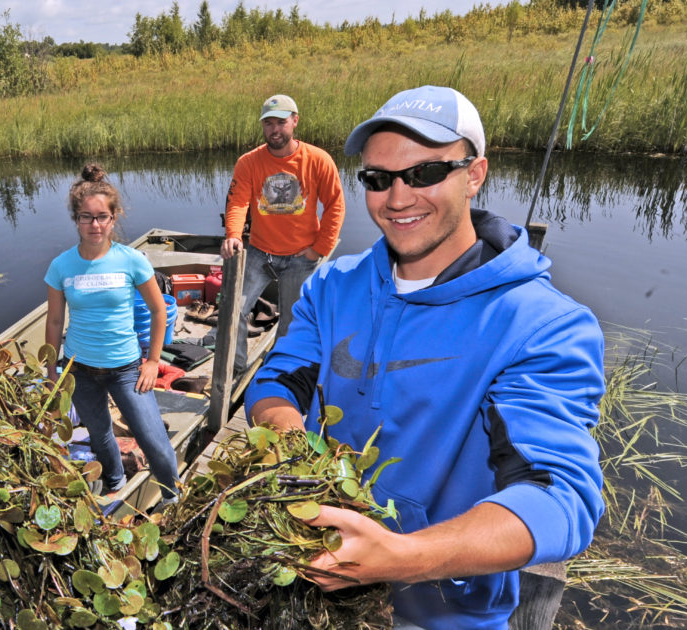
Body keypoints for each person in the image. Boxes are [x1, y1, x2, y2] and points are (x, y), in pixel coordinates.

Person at [244, 85, 605, 629]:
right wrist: (296, 453)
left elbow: (559, 496)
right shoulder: (333, 285)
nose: (397, 197)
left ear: (474, 173)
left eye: (424, 173)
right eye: (377, 178)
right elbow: (278, 379)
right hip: (315, 589)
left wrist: (402, 557)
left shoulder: (540, 324)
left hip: (446, 612)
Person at [44, 163, 180, 505]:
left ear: (114, 218)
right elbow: (55, 323)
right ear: (76, 219)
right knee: (100, 435)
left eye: (102, 216)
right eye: (87, 217)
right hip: (80, 369)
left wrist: (152, 361)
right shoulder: (61, 266)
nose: (95, 224)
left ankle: (172, 495)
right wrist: (51, 374)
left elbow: (159, 309)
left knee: (152, 438)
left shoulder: (131, 260)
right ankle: (115, 483)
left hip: (126, 369)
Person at [221, 93, 347, 372]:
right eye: (268, 124)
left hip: (301, 255)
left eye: (281, 122)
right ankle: (237, 369)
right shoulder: (249, 162)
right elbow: (239, 201)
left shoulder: (318, 159)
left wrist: (319, 248)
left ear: (295, 121)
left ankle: (277, 370)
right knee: (233, 311)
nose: (274, 130)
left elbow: (335, 205)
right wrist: (233, 234)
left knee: (292, 321)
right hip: (259, 250)